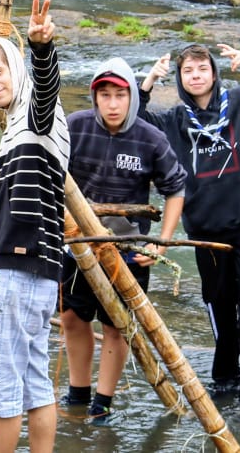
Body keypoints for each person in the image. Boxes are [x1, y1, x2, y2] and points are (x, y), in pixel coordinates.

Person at [138, 42, 240, 412]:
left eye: (202, 68)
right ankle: (226, 379)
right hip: (205, 230)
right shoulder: (175, 121)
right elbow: (133, 118)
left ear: (214, 73)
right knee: (218, 306)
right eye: (188, 71)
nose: (195, 76)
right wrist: (149, 80)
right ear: (180, 79)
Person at [59, 57, 186, 422]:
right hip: (77, 243)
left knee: (116, 326)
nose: (112, 104)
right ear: (94, 96)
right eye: (105, 95)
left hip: (128, 251)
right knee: (71, 317)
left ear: (132, 96)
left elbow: (176, 189)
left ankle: (103, 400)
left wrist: (160, 242)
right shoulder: (75, 127)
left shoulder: (150, 138)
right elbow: (53, 176)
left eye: (120, 95)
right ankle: (77, 392)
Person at [0, 0, 69, 453]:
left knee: (3, 384)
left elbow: (46, 85)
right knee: (34, 381)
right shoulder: (18, 124)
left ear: (16, 67)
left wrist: (40, 47)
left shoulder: (35, 111)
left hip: (23, 266)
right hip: (41, 267)